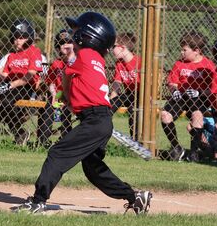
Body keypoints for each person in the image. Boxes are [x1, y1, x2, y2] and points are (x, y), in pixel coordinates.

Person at [14, 12, 152, 214]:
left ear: (88, 36)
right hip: (99, 119)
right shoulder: (95, 58)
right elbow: (82, 85)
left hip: (95, 120)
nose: (72, 34)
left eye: (76, 31)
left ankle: (38, 201)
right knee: (92, 168)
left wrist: (66, 97)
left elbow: (67, 76)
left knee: (57, 153)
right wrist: (73, 100)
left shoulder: (85, 55)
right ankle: (135, 197)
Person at [160, 31, 215, 162]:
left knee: (197, 116)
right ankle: (176, 148)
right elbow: (172, 82)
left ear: (196, 50)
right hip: (181, 96)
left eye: (185, 50)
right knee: (165, 116)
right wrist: (174, 90)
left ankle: (194, 153)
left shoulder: (208, 65)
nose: (181, 52)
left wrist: (200, 92)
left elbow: (214, 89)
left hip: (198, 98)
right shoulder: (179, 63)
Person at [37, 29, 75, 147]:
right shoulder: (56, 64)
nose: (65, 46)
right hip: (60, 93)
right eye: (62, 44)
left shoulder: (76, 62)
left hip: (75, 94)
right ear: (58, 49)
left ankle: (66, 139)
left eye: (68, 43)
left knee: (66, 111)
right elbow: (51, 82)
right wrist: (54, 95)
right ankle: (43, 140)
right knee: (49, 107)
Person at [109, 32, 141, 139]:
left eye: (114, 46)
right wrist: (111, 101)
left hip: (141, 95)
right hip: (128, 94)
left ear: (122, 48)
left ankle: (135, 140)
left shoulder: (139, 62)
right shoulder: (119, 63)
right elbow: (117, 83)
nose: (111, 49)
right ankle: (105, 132)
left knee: (133, 109)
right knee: (107, 108)